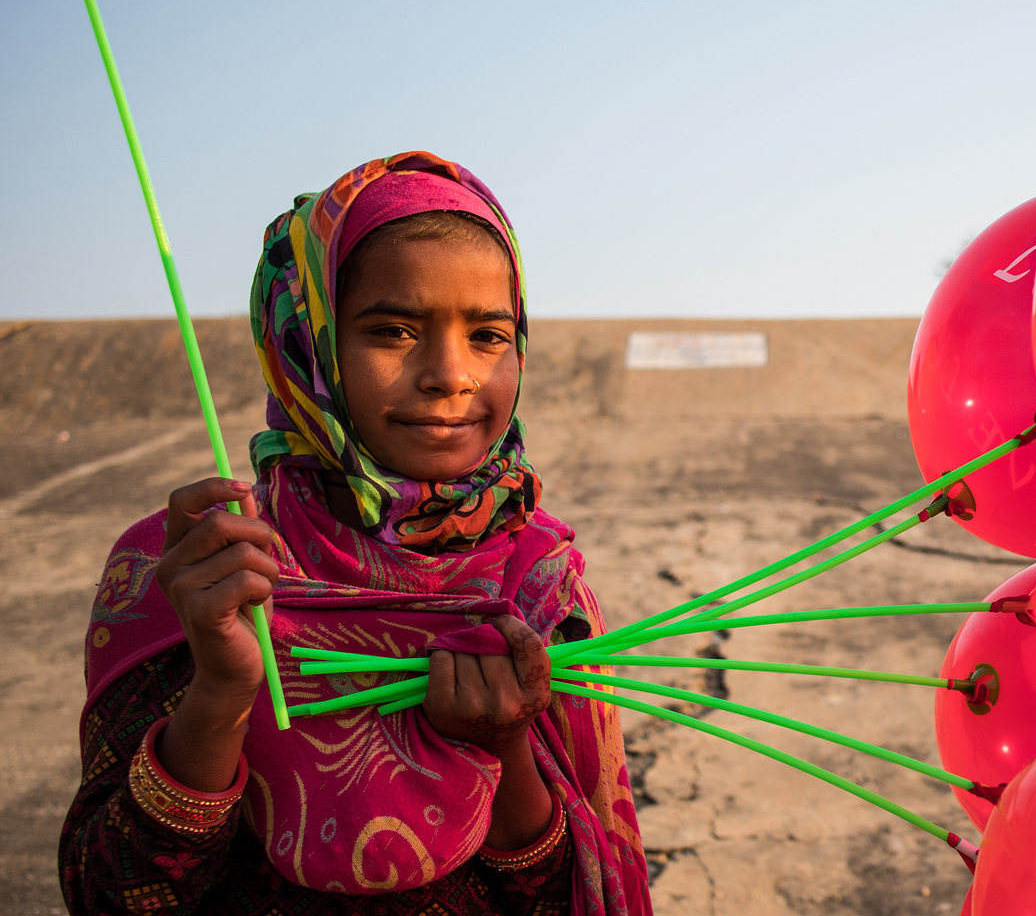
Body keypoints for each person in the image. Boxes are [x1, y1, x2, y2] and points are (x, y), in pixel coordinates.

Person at [58, 151, 653, 915]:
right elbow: (110, 895)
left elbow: (567, 895)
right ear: (305, 344)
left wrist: (504, 746)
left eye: (488, 335)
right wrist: (220, 695)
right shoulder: (200, 569)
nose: (451, 374)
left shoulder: (539, 586)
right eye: (394, 330)